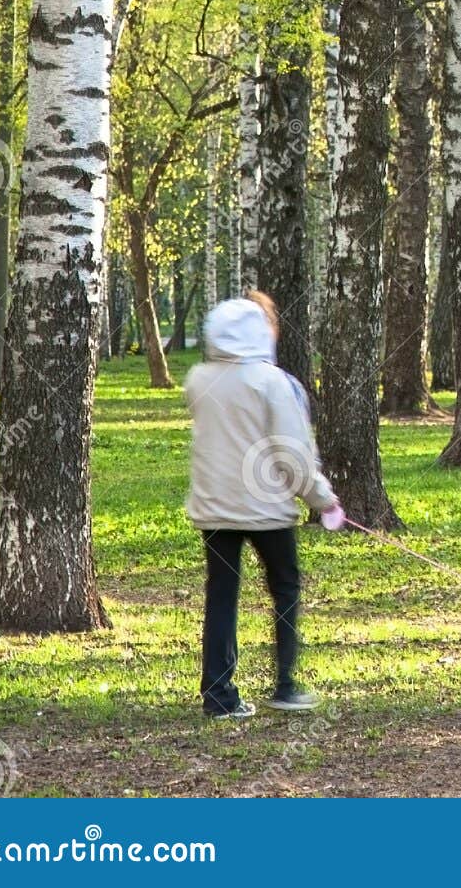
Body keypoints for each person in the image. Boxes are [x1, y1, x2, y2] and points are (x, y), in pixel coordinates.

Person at [185, 289, 344, 719]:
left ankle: (218, 696)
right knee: (285, 588)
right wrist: (323, 499)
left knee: (222, 596)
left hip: (215, 507)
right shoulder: (271, 382)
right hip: (266, 508)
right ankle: (285, 684)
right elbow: (292, 455)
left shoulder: (199, 379)